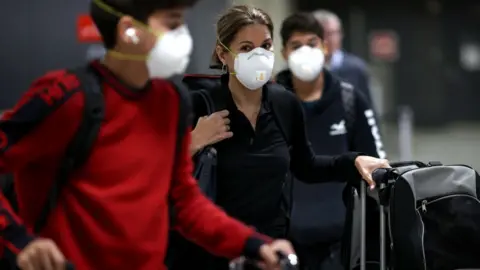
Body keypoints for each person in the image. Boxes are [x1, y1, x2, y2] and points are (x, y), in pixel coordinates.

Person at [0, 0, 297, 269]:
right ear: (129, 30)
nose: (184, 35)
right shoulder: (68, 96)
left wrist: (254, 245)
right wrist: (19, 241)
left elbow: (184, 201)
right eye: (172, 24)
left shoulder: (170, 101)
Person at [183, 5, 390, 270]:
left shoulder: (284, 103)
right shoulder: (200, 105)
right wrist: (194, 141)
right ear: (224, 54)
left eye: (265, 46)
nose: (258, 55)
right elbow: (162, 175)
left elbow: (306, 165)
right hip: (211, 252)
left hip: (271, 251)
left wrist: (353, 161)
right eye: (246, 48)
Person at [276, 13, 386, 270]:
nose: (305, 51)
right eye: (296, 45)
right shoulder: (272, 101)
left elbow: (376, 162)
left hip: (342, 239)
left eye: (312, 43)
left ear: (325, 47)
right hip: (285, 241)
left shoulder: (350, 99)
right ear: (284, 52)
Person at [312, 10, 374, 106]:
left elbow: (368, 107)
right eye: (327, 34)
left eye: (336, 33)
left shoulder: (355, 68)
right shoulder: (302, 68)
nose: (332, 39)